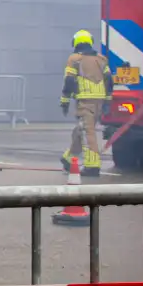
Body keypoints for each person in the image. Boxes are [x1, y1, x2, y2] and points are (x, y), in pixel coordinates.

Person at [59, 29, 111, 176]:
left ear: (76, 43)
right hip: (99, 101)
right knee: (80, 130)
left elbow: (69, 81)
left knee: (88, 132)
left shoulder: (74, 59)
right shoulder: (102, 59)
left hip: (85, 100)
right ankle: (69, 159)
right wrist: (107, 101)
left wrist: (64, 101)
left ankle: (92, 166)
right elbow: (109, 81)